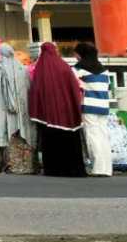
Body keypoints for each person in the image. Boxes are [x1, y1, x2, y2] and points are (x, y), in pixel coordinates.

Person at [29, 42, 85, 177]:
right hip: (68, 114)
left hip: (48, 116)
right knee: (70, 141)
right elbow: (74, 88)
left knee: (51, 142)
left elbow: (35, 92)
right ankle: (74, 170)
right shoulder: (64, 67)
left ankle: (54, 169)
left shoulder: (40, 70)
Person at [0, 43, 37, 174]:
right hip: (22, 111)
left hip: (3, 110)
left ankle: (7, 165)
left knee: (5, 133)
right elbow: (28, 89)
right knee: (22, 135)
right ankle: (25, 166)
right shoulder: (23, 69)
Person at [73, 42, 112, 177]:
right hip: (103, 106)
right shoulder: (104, 70)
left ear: (82, 54)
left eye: (76, 53)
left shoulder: (78, 69)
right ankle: (107, 168)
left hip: (88, 106)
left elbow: (74, 86)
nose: (75, 56)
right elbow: (108, 88)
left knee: (92, 136)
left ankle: (98, 168)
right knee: (103, 135)